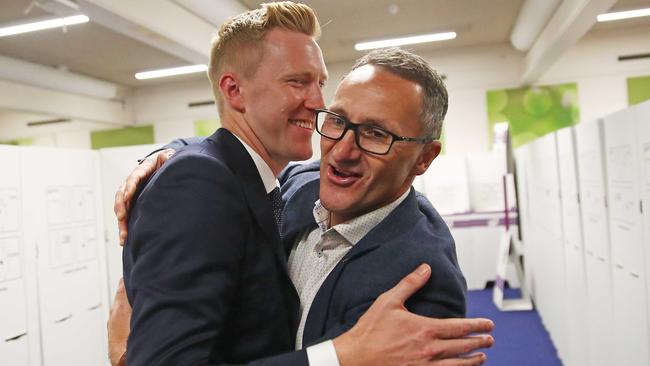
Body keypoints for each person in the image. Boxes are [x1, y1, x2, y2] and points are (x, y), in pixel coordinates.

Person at [114, 2, 494, 366]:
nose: (342, 150)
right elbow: (225, 158)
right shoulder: (300, 184)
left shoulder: (422, 278)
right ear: (234, 91)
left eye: (376, 134)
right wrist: (173, 156)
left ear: (424, 158)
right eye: (338, 119)